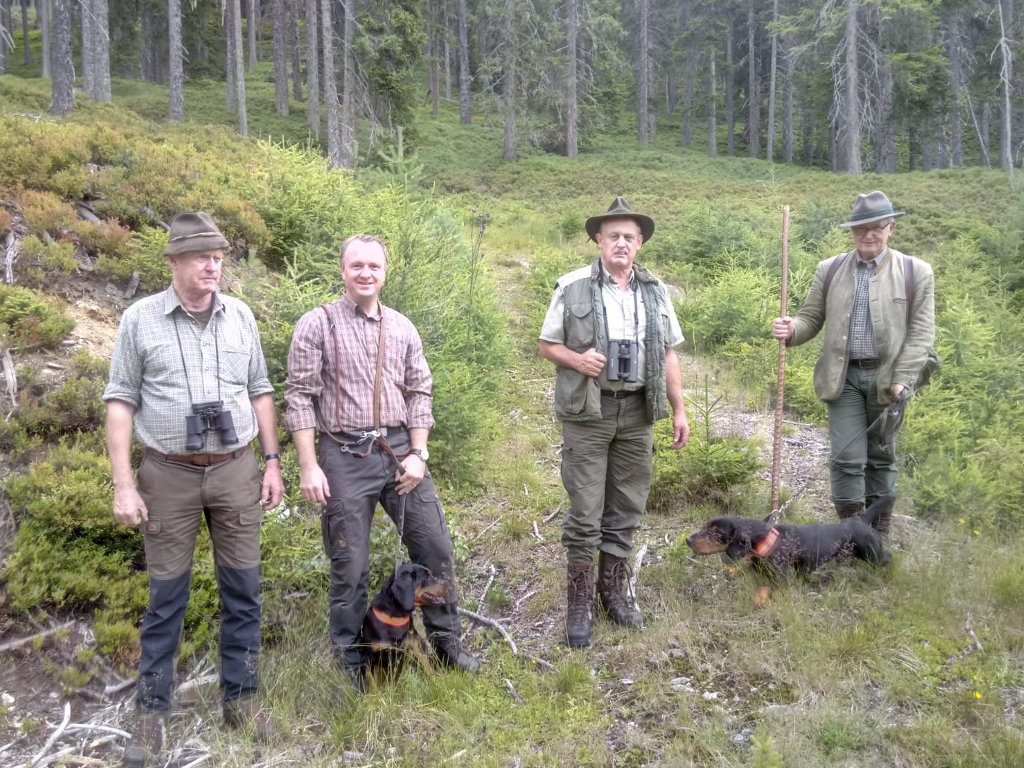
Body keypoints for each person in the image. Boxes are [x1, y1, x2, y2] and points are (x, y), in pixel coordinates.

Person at [104, 212, 284, 768]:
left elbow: (260, 390)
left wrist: (272, 463)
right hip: (168, 475)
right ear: (175, 261)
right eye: (203, 257)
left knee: (243, 591)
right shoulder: (139, 320)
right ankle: (151, 712)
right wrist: (124, 484)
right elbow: (120, 401)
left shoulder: (241, 316)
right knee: (166, 599)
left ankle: (242, 700)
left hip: (236, 469)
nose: (213, 266)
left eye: (219, 258)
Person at [283, 233, 479, 689]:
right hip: (343, 455)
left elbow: (420, 391)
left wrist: (419, 453)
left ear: (385, 273)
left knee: (435, 549)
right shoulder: (318, 324)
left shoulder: (403, 327)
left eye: (374, 266)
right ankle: (351, 659)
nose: (365, 273)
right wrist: (309, 465)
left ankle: (446, 644)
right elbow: (299, 398)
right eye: (357, 265)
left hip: (400, 452)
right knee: (349, 564)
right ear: (342, 270)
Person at [539, 197, 689, 648]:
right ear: (598, 241)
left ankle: (613, 594)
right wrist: (577, 360)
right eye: (613, 236)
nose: (621, 243)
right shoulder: (572, 286)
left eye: (629, 236)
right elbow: (547, 345)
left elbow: (668, 353)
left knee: (626, 507)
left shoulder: (656, 291)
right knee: (586, 511)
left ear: (639, 243)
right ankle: (579, 605)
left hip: (638, 412)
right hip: (589, 411)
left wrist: (679, 409)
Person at [771, 191, 935, 534]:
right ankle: (848, 535)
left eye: (877, 227)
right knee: (845, 458)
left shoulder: (916, 272)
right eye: (861, 228)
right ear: (852, 231)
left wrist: (902, 379)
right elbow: (810, 318)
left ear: (891, 227)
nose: (869, 235)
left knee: (882, 458)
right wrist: (791, 330)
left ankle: (877, 535)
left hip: (889, 380)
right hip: (842, 378)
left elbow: (922, 333)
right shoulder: (829, 269)